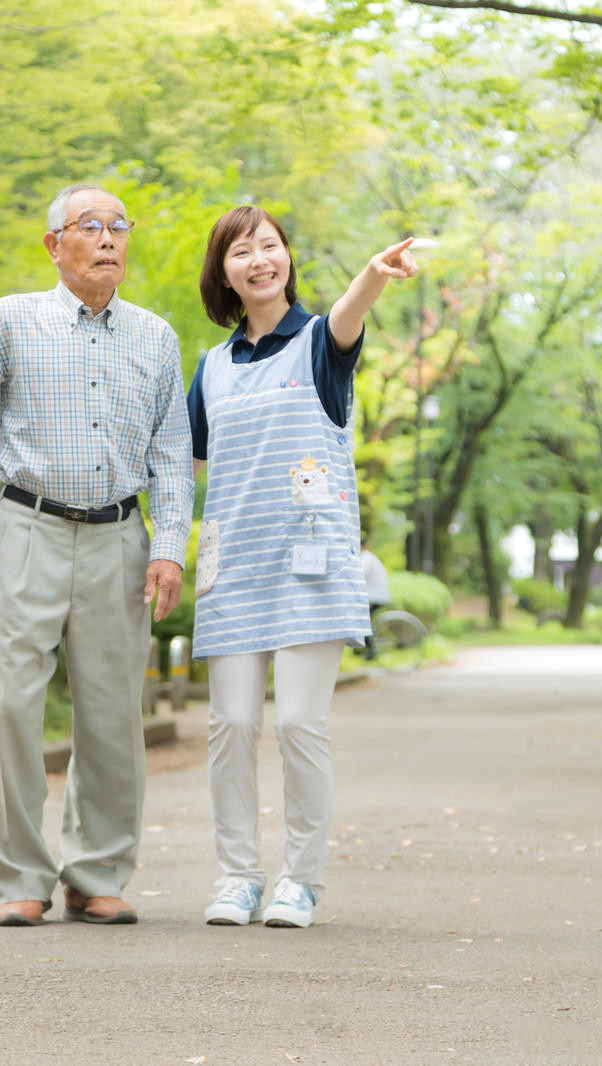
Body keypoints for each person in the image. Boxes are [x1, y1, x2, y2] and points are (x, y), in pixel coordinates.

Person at [0, 183, 192, 927]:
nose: (108, 239)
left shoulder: (157, 337)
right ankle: (20, 876)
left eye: (118, 227)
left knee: (111, 713)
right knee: (8, 708)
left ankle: (97, 871)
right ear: (55, 244)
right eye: (90, 226)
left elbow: (172, 455)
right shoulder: (7, 322)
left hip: (120, 537)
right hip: (27, 528)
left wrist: (168, 548)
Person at [186, 206, 417, 929]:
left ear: (287, 258)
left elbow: (349, 315)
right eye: (241, 251)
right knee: (227, 725)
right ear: (222, 271)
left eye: (269, 247)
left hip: (310, 568)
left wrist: (373, 277)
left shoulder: (321, 341)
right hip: (233, 570)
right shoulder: (213, 367)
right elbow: (184, 465)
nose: (258, 260)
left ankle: (301, 880)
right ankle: (236, 876)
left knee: (298, 725)